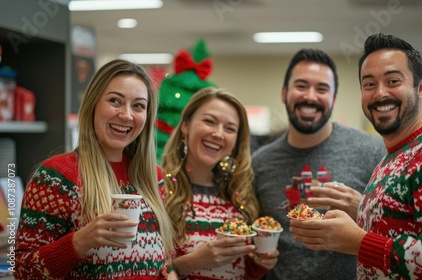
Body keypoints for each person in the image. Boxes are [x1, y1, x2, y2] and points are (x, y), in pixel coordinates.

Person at [289, 33, 422, 279]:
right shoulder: (392, 157)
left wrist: (357, 242)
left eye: (393, 81)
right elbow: (402, 230)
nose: (380, 94)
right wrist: (362, 211)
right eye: (369, 84)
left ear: (421, 87)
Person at [14, 59, 176, 279]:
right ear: (93, 104)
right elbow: (22, 271)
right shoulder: (55, 177)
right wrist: (79, 242)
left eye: (138, 105)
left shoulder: (154, 177)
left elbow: (162, 260)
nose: (127, 115)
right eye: (115, 101)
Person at [252, 48, 386, 279]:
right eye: (301, 86)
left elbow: (399, 232)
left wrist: (364, 210)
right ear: (284, 93)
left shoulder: (373, 151)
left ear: (333, 98)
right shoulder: (259, 163)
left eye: (322, 89)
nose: (311, 97)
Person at [161, 87, 279, 279]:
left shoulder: (239, 196)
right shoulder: (160, 191)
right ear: (186, 125)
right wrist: (194, 262)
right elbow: (144, 270)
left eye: (230, 128)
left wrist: (258, 263)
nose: (218, 134)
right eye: (209, 121)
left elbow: (244, 273)